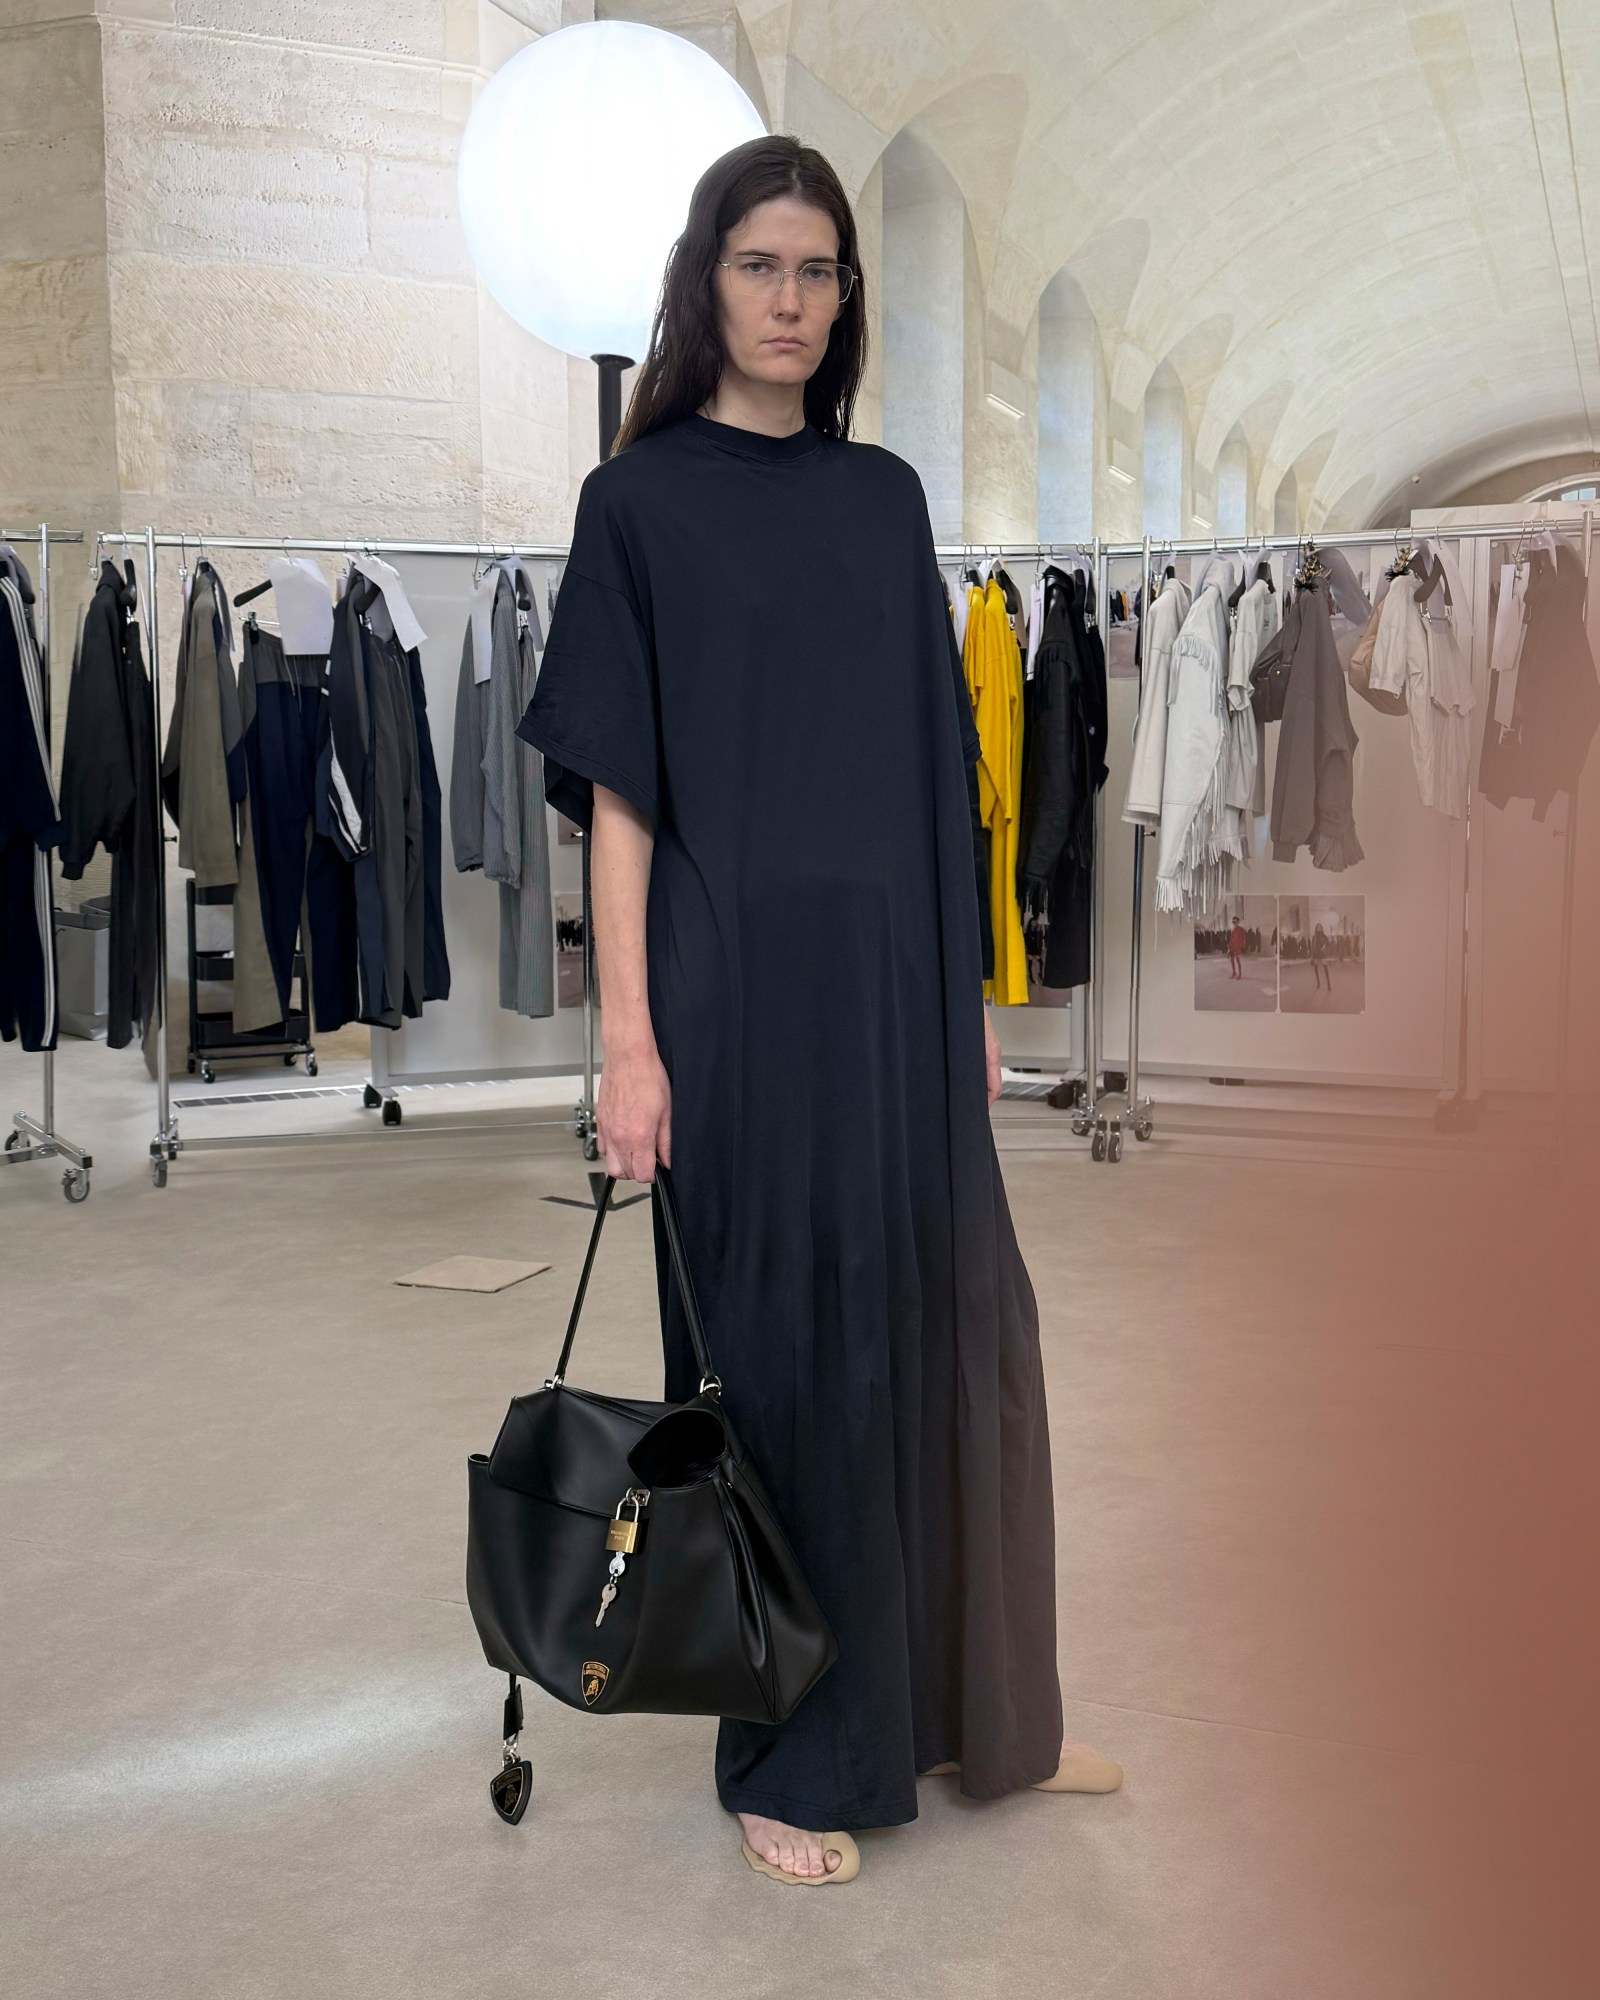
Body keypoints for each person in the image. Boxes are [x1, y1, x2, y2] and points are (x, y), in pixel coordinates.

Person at [518, 134, 1121, 1889]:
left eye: (821, 271)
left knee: (958, 1332)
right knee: (781, 1363)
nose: (791, 300)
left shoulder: (884, 498)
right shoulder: (633, 506)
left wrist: (967, 993)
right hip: (736, 1001)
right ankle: (794, 1753)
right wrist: (627, 1041)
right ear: (707, 282)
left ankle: (983, 1715)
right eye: (761, 266)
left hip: (901, 999)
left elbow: (937, 771)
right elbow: (621, 795)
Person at [1311, 922, 1332, 992]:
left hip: (1322, 953)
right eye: (1318, 927)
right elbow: (1312, 947)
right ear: (1316, 928)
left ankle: (1328, 984)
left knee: (1325, 967)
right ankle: (1318, 982)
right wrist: (1312, 956)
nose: (1319, 928)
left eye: (1320, 927)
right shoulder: (1314, 937)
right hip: (1316, 954)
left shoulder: (1324, 936)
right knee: (1316, 968)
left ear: (1321, 928)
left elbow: (1328, 944)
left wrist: (1325, 946)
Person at [1228, 916, 1246, 980]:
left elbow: (1243, 939)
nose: (1234, 923)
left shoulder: (1241, 930)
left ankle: (1240, 974)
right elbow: (1231, 939)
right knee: (1232, 960)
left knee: (1238, 960)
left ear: (1238, 922)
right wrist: (1229, 947)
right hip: (1232, 947)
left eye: (1235, 922)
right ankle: (1234, 972)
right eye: (1233, 922)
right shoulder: (1233, 930)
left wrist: (1241, 946)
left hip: (1237, 947)